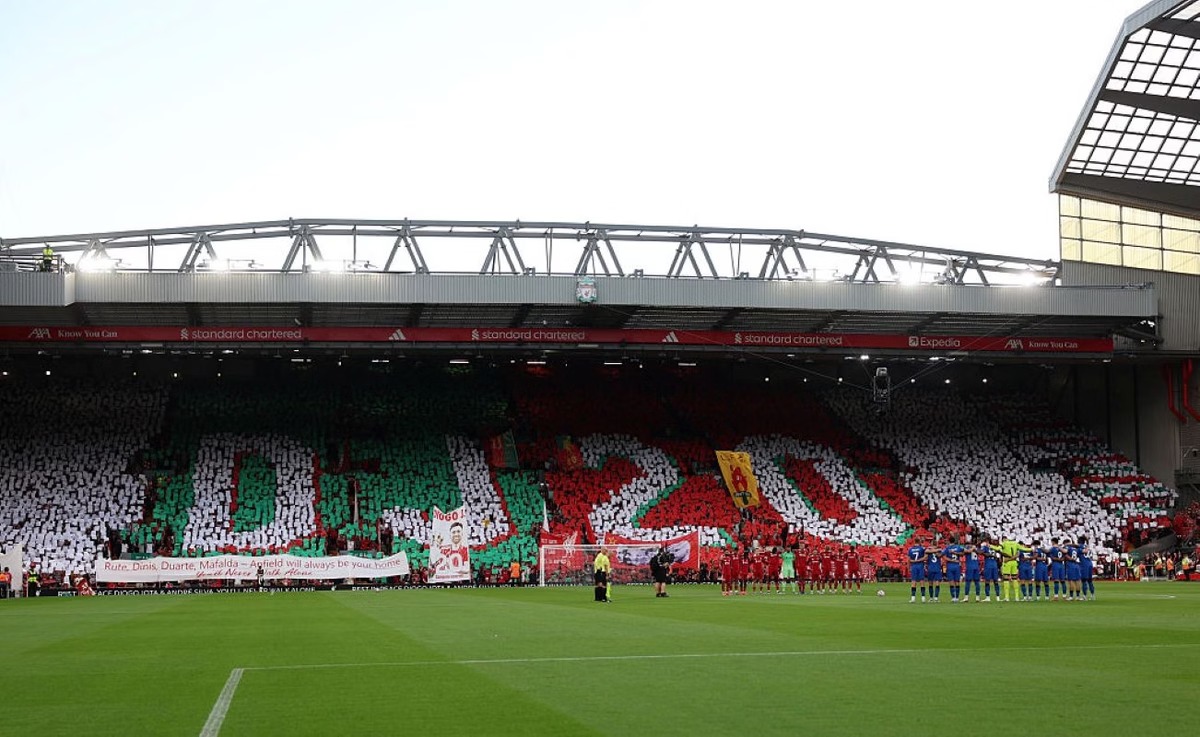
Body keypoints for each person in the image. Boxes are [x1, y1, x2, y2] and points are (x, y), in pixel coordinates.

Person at [942, 537, 964, 603]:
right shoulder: (958, 547)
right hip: (957, 566)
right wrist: (956, 553)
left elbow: (944, 556)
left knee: (951, 582)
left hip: (950, 566)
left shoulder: (947, 548)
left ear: (949, 541)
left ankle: (953, 597)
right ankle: (957, 597)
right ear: (954, 541)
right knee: (957, 582)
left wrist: (951, 560)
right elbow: (962, 554)